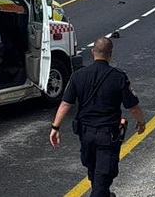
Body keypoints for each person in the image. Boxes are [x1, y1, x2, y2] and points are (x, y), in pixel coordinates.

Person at [49, 38, 146, 197]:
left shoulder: (78, 76)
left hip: (85, 135)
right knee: (102, 176)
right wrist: (141, 122)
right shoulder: (118, 77)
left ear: (92, 52)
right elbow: (133, 107)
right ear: (110, 54)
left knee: (94, 172)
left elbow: (66, 104)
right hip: (107, 136)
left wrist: (55, 127)